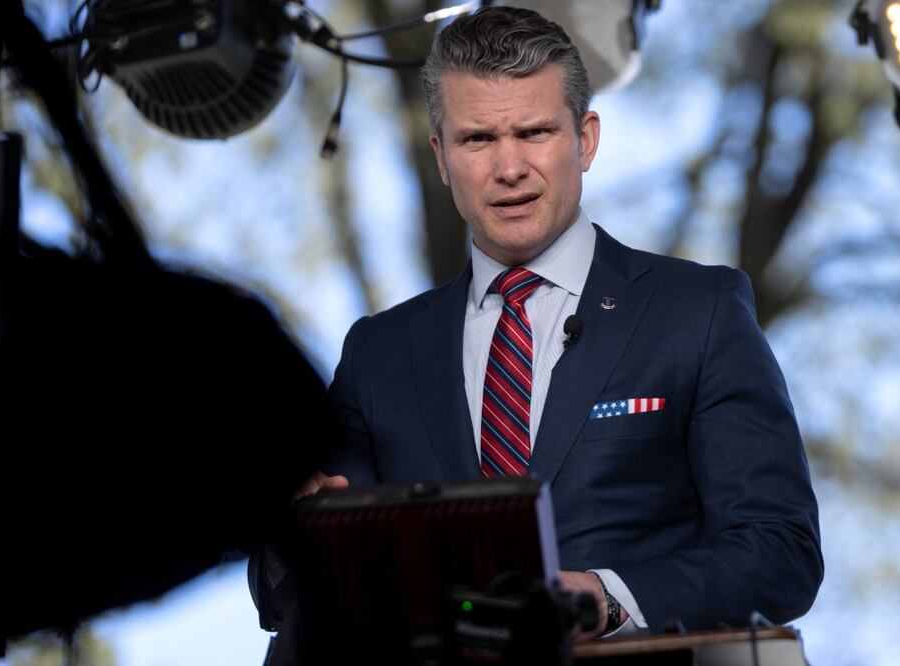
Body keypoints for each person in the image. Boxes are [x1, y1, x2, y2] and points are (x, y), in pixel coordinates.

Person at [322, 6, 822, 640]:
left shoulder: (698, 311)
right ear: (441, 156)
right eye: (478, 139)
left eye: (534, 133)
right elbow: (289, 585)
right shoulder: (379, 354)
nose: (509, 169)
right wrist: (296, 531)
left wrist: (610, 598)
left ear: (585, 139)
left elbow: (782, 554)